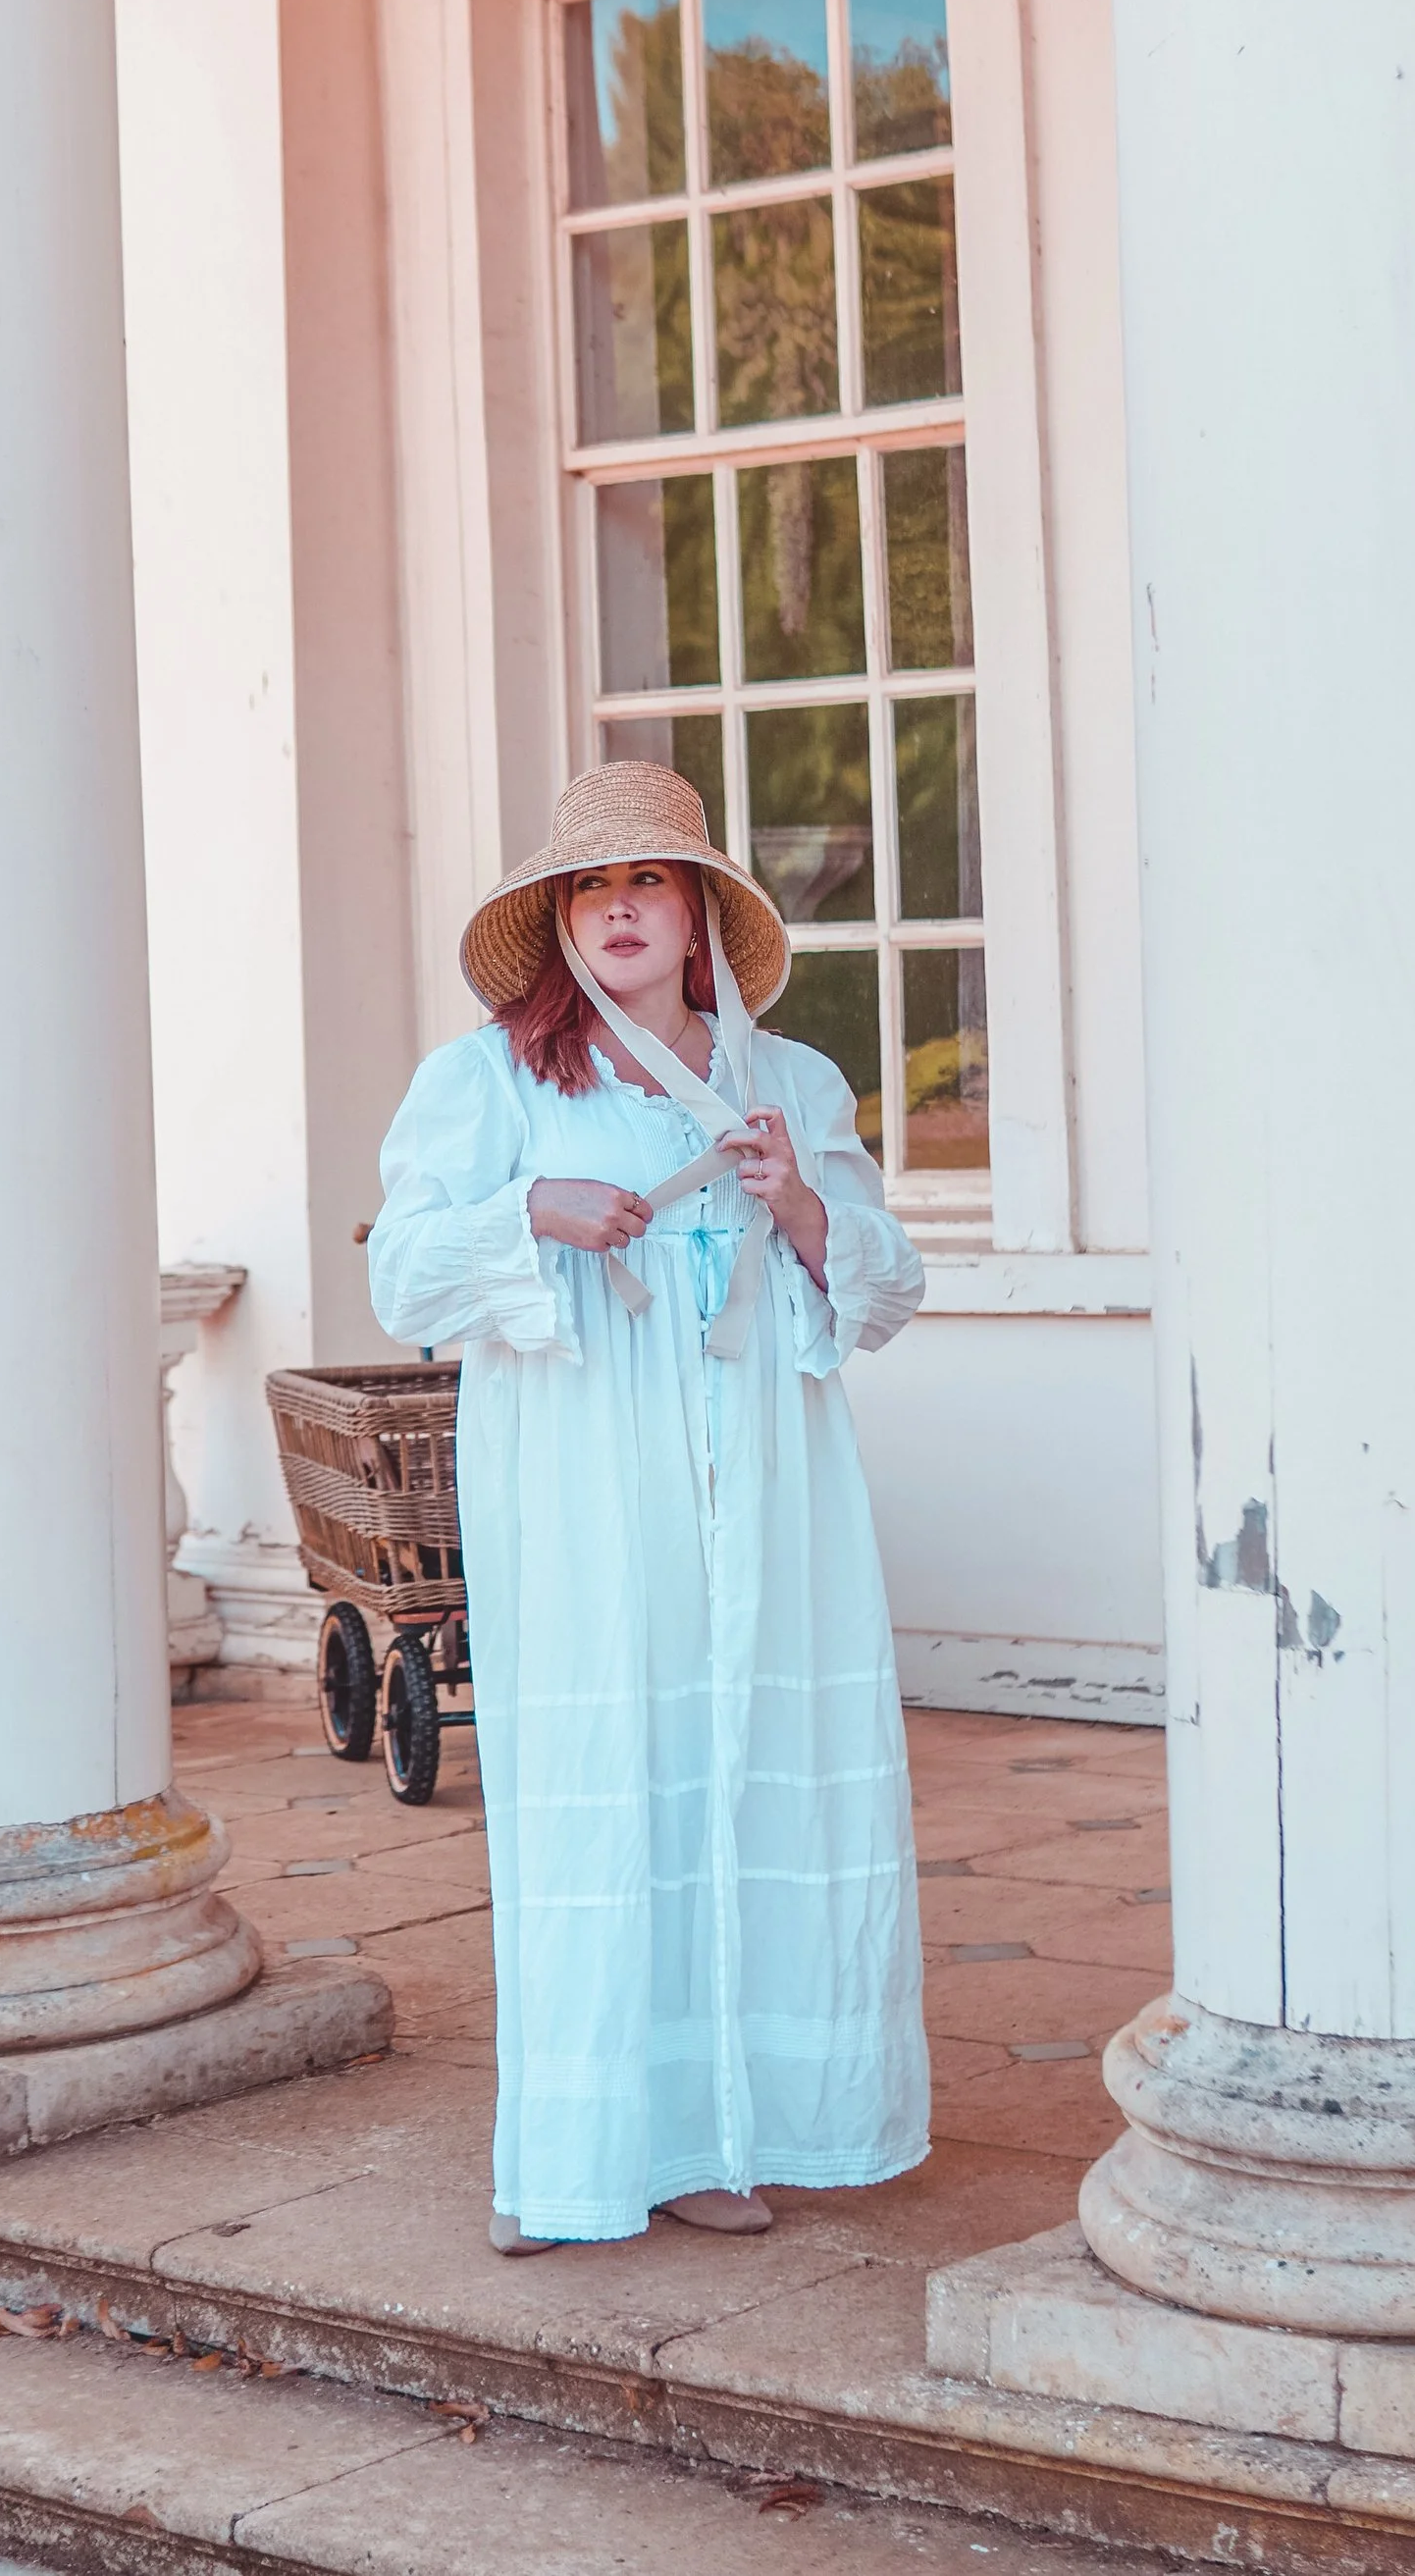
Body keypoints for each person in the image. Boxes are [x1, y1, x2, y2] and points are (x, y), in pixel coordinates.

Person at [366, 762, 930, 2251]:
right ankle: (574, 2152)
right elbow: (406, 1271)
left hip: (761, 1479)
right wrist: (529, 1212)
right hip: (582, 1478)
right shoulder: (486, 1079)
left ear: (698, 918)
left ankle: (727, 2129)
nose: (619, 910)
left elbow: (887, 1283)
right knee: (601, 1786)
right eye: (592, 888)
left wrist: (802, 1201)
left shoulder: (789, 1084)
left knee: (743, 1771)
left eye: (649, 883)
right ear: (560, 921)